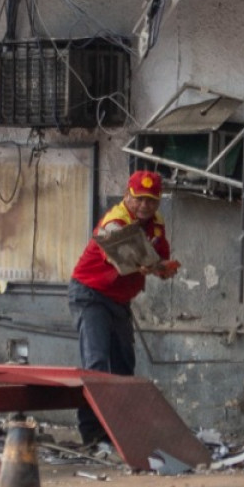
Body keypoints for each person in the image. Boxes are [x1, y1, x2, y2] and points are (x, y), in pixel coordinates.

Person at [68, 170, 179, 447]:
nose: (144, 205)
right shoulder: (115, 222)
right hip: (91, 294)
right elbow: (124, 261)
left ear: (159, 201)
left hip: (118, 300)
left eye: (150, 200)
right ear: (127, 196)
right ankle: (92, 434)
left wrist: (164, 269)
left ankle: (120, 432)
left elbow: (159, 258)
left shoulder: (156, 223)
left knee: (123, 365)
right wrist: (149, 266)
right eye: (138, 199)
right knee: (96, 364)